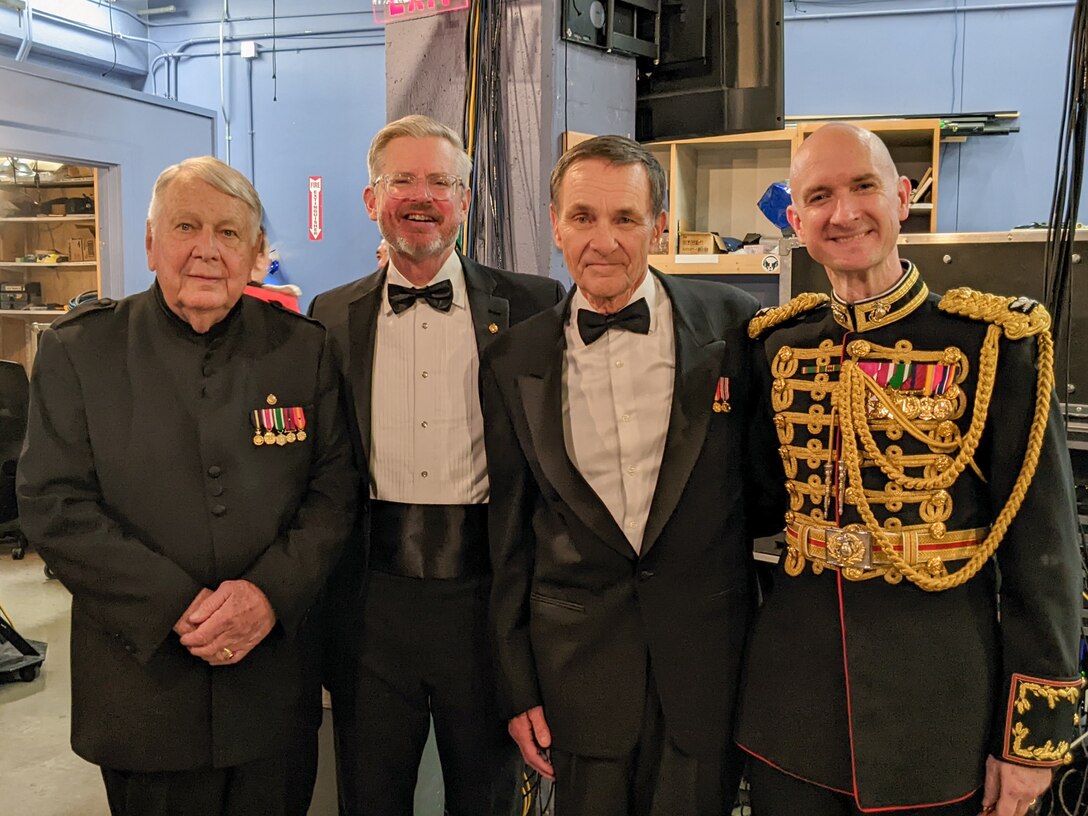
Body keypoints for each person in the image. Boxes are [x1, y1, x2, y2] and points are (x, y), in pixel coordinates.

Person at [737, 123, 1083, 816]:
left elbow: (1044, 559)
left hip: (940, 714)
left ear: (902, 196)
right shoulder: (777, 344)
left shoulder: (992, 344)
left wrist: (1030, 745)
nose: (844, 213)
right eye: (820, 196)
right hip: (794, 709)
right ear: (796, 220)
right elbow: (747, 507)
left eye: (863, 186)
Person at [16, 156, 357, 816]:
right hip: (143, 692)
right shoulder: (79, 352)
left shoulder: (304, 349)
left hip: (270, 686)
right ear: (150, 243)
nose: (207, 249)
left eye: (230, 233)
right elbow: (54, 505)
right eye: (186, 226)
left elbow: (334, 489)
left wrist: (266, 594)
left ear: (257, 253)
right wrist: (176, 604)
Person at [480, 135, 785, 815]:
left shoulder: (737, 325)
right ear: (556, 224)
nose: (604, 241)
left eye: (625, 219)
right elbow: (510, 537)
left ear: (659, 225)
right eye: (583, 218)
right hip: (576, 672)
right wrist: (518, 685)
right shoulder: (513, 359)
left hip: (707, 665)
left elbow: (766, 491)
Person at [308, 114, 564, 816]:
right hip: (369, 606)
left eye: (441, 182)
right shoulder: (327, 316)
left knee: (484, 799)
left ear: (466, 201)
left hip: (485, 604)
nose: (422, 197)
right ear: (371, 199)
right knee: (370, 796)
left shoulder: (535, 307)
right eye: (403, 181)